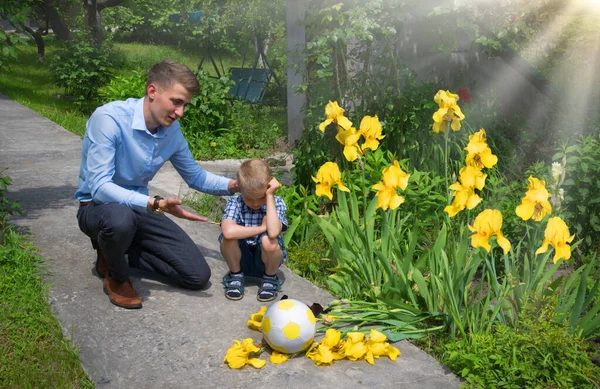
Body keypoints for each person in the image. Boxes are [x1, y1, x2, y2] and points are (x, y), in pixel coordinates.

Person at [75, 59, 238, 309]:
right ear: (153, 91)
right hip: (97, 207)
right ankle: (116, 277)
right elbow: (99, 186)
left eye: (185, 105)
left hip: (139, 209)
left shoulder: (172, 131)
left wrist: (237, 185)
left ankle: (113, 251)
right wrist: (155, 203)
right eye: (176, 102)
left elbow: (195, 176)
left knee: (196, 275)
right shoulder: (109, 118)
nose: (181, 112)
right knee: (119, 221)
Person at [219, 159, 288, 302]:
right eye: (249, 198)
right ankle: (236, 275)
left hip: (265, 261)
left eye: (261, 197)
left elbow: (274, 232)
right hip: (240, 259)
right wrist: (262, 227)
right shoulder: (235, 202)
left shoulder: (276, 202)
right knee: (228, 239)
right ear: (239, 188)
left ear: (269, 187)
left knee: (269, 240)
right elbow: (228, 232)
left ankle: (270, 278)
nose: (255, 203)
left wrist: (269, 196)